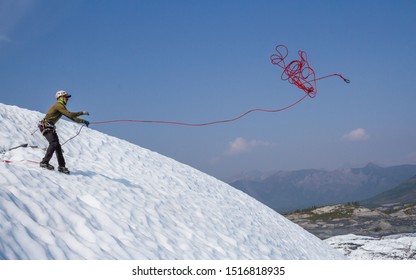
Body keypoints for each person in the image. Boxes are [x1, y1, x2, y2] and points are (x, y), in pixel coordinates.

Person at [38, 90, 90, 174]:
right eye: (66, 97)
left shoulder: (61, 106)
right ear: (61, 97)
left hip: (49, 127)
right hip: (46, 126)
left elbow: (71, 117)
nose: (67, 99)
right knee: (54, 144)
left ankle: (62, 166)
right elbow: (70, 115)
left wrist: (82, 121)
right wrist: (82, 113)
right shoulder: (58, 105)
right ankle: (44, 162)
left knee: (57, 146)